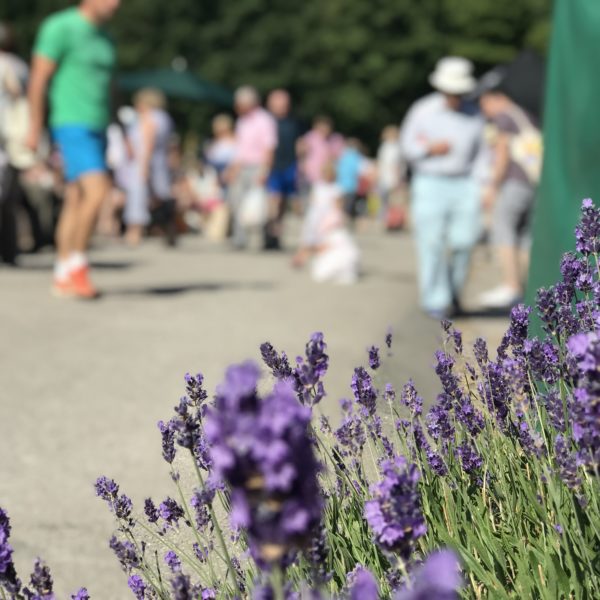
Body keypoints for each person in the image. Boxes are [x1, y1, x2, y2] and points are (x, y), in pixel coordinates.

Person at [27, 0, 121, 298]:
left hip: (99, 125)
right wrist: (34, 126)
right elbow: (39, 78)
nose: (116, 3)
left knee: (76, 198)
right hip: (71, 122)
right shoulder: (61, 27)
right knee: (98, 189)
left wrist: (119, 130)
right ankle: (79, 264)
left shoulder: (106, 37)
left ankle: (62, 273)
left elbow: (108, 88)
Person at [400, 56, 482, 318]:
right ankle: (435, 298)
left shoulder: (475, 115)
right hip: (430, 181)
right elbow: (407, 148)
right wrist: (429, 148)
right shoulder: (422, 110)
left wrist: (486, 185)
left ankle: (453, 293)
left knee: (464, 241)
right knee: (432, 243)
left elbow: (483, 154)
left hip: (465, 183)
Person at [476, 69, 541, 308]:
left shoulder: (505, 118)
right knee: (524, 236)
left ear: (495, 98)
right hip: (533, 183)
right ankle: (524, 286)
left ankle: (511, 285)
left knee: (503, 229)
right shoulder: (528, 115)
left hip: (514, 182)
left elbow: (502, 156)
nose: (484, 109)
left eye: (484, 102)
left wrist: (492, 187)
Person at [226, 86, 276, 249]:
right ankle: (239, 239)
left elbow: (269, 147)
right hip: (242, 166)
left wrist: (264, 170)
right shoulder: (242, 121)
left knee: (257, 205)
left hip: (257, 166)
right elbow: (239, 149)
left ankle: (260, 239)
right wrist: (232, 169)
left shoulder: (264, 120)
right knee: (237, 202)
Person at [293, 162, 359, 284]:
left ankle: (317, 259)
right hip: (315, 216)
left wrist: (336, 218)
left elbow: (338, 206)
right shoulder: (318, 186)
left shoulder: (336, 188)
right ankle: (300, 258)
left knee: (323, 242)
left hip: (327, 218)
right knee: (308, 239)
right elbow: (314, 200)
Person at [123, 88, 174, 247]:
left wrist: (144, 165)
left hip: (144, 162)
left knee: (138, 198)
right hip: (156, 162)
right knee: (160, 196)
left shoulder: (149, 118)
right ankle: (167, 228)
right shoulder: (163, 118)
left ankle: (135, 232)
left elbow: (148, 142)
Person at [0, 22, 32, 265]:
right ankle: (10, 250)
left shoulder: (8, 66)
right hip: (12, 138)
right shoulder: (20, 65)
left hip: (5, 135)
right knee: (9, 197)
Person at [264, 89, 302, 250]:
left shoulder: (293, 122)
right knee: (273, 200)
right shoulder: (265, 121)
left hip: (289, 166)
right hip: (272, 166)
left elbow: (299, 144)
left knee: (283, 202)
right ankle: (268, 231)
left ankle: (276, 233)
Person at [376, 125, 404, 221]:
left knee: (385, 200)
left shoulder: (384, 147)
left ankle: (385, 218)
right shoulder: (395, 148)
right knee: (392, 200)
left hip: (384, 177)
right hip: (391, 177)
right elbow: (395, 164)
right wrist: (398, 179)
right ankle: (392, 219)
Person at [336, 138, 363, 221]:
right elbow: (361, 170)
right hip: (351, 186)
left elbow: (337, 169)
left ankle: (341, 219)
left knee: (342, 206)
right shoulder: (356, 157)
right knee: (349, 207)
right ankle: (346, 221)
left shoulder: (342, 156)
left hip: (340, 185)